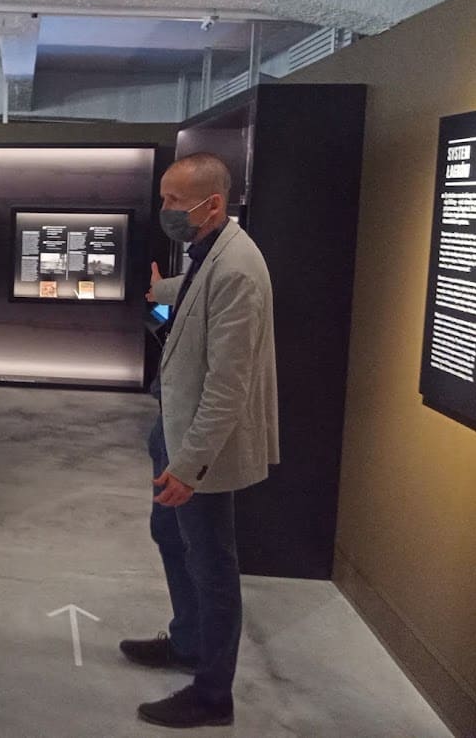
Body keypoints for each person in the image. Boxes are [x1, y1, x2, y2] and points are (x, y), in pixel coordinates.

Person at [121, 152, 279, 729]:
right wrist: (162, 287)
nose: (164, 209)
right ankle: (188, 640)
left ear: (212, 204)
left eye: (173, 200)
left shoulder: (237, 268)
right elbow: (194, 291)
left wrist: (190, 466)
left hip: (199, 448)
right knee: (169, 533)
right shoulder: (212, 254)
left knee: (212, 562)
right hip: (174, 429)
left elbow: (227, 385)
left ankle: (213, 694)